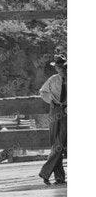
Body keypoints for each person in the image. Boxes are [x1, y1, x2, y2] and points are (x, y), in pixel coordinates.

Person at [38, 56, 67, 185]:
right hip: (55, 111)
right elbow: (42, 92)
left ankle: (45, 172)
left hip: (67, 112)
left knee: (59, 143)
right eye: (58, 66)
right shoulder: (53, 79)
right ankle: (59, 177)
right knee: (55, 142)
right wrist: (52, 100)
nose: (59, 68)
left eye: (61, 66)